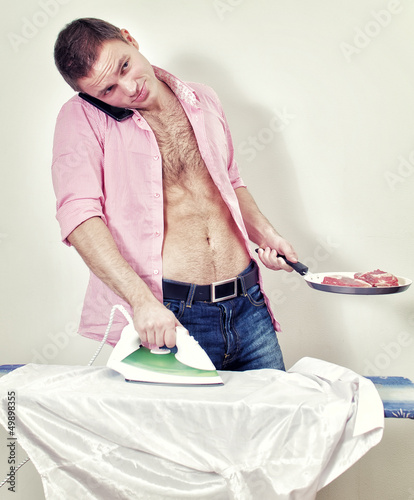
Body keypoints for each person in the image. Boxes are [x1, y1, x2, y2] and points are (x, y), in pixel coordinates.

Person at [52, 18, 298, 371]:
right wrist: (142, 303)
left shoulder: (202, 98)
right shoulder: (81, 119)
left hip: (248, 305)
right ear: (90, 95)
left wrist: (268, 235)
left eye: (125, 66)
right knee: (185, 428)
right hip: (172, 317)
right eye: (108, 90)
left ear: (129, 38)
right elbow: (79, 217)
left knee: (274, 421)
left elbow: (229, 181)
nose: (129, 87)